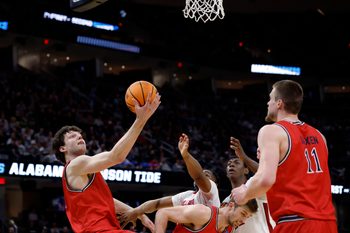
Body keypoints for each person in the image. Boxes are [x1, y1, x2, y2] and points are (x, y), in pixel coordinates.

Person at [231, 80, 337, 233]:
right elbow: (300, 174)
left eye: (270, 99)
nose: (268, 103)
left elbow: (266, 179)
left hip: (295, 221)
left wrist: (244, 193)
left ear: (279, 103)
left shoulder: (271, 131)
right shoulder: (320, 136)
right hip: (327, 223)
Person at [52, 92, 161, 233]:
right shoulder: (75, 165)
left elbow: (107, 200)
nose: (79, 137)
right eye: (73, 136)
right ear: (63, 148)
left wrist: (138, 213)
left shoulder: (85, 171)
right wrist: (141, 120)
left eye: (80, 135)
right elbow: (115, 156)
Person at [119, 133, 220, 227]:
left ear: (214, 183)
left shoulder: (212, 192)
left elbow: (198, 176)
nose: (204, 176)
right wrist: (135, 212)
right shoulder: (188, 195)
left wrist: (186, 155)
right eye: (203, 173)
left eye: (207, 175)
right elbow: (156, 204)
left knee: (165, 213)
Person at [222, 137, 275, 233]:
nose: (231, 165)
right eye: (229, 164)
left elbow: (266, 174)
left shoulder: (253, 186)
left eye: (236, 162)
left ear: (246, 170)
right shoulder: (226, 201)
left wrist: (243, 157)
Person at [154, 199, 258, 233]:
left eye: (247, 217)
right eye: (243, 214)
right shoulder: (203, 214)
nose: (243, 220)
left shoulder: (230, 228)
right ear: (231, 205)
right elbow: (163, 212)